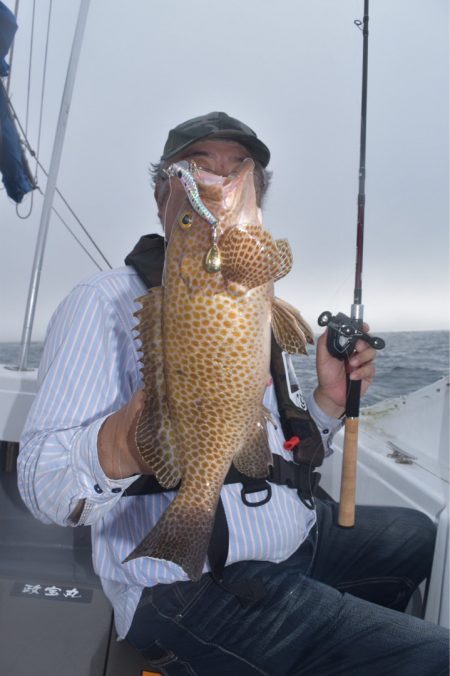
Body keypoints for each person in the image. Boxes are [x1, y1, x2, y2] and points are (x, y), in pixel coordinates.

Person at [18, 112, 449, 675]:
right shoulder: (101, 301)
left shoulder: (250, 299)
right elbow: (39, 483)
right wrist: (120, 444)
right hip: (195, 584)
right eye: (197, 168)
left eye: (239, 167)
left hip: (296, 542)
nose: (221, 177)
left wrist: (328, 403)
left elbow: (254, 441)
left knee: (418, 536)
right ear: (163, 197)